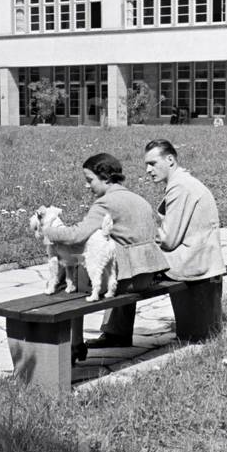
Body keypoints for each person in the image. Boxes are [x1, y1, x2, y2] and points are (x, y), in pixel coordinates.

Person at [43, 153, 167, 361]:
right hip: (147, 276)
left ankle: (74, 344)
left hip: (126, 281)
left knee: (71, 277)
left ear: (105, 178)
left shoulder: (105, 203)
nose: (88, 186)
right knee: (102, 261)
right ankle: (112, 333)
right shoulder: (139, 199)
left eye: (90, 180)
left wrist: (48, 232)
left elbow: (76, 236)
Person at [144, 139, 226, 341]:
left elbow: (168, 240)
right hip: (202, 258)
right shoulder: (186, 182)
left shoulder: (179, 187)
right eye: (146, 164)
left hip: (191, 264)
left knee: (127, 269)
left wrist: (144, 233)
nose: (147, 170)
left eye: (153, 163)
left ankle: (115, 333)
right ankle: (116, 331)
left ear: (170, 160)